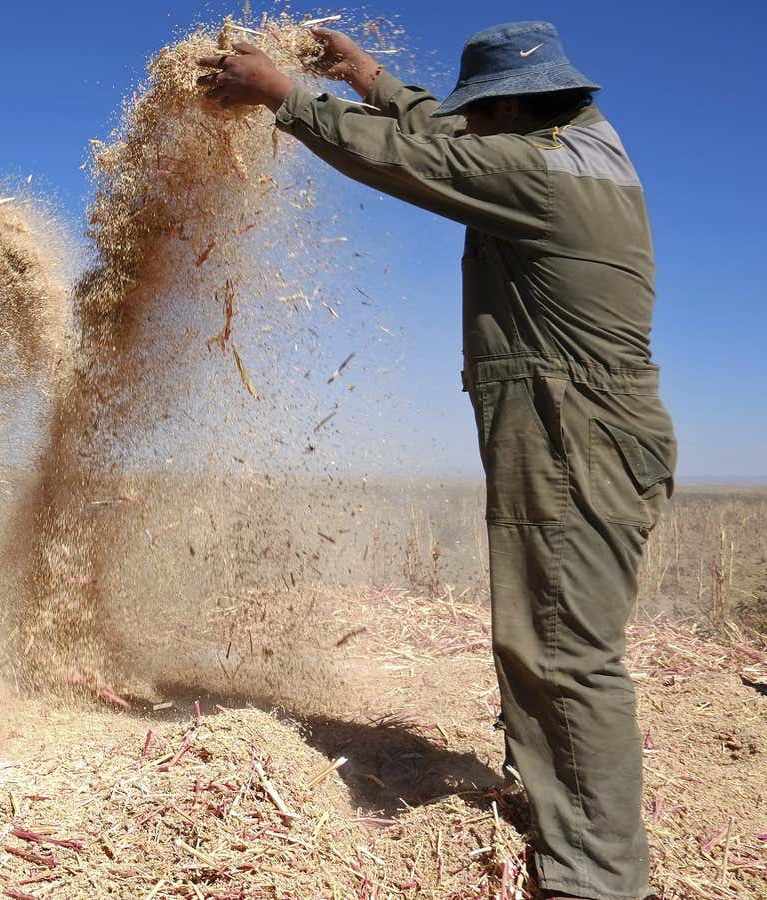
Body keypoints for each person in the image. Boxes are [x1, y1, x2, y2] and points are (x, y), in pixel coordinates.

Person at [198, 21, 675, 900]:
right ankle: (558, 807)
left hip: (575, 432)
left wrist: (285, 96)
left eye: (479, 110)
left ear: (511, 107)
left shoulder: (535, 172)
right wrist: (371, 76)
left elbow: (414, 158)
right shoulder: (579, 141)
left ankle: (600, 880)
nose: (469, 122)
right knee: (540, 635)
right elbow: (446, 133)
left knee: (566, 651)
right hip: (581, 420)